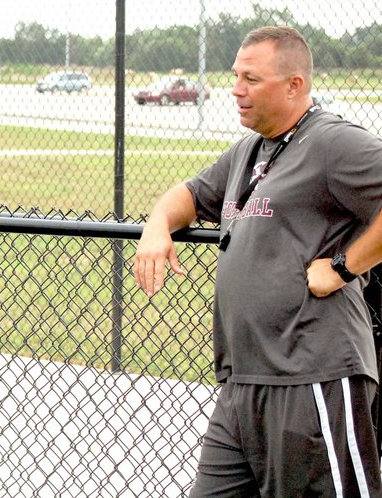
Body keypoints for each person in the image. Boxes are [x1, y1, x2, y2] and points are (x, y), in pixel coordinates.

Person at [134, 25, 382, 497]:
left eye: (251, 78)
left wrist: (343, 267)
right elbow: (188, 194)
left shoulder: (332, 143)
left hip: (313, 378)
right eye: (235, 76)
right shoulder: (249, 152)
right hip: (242, 383)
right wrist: (157, 225)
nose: (235, 89)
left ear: (295, 85)